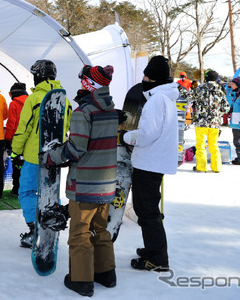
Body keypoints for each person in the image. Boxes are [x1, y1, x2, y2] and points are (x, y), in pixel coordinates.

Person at [49, 65, 118, 297]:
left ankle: (81, 281)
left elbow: (76, 148)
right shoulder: (110, 109)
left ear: (89, 84)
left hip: (86, 184)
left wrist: (52, 156)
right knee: (100, 229)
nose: (80, 83)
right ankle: (106, 274)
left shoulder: (84, 112)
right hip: (107, 182)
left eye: (83, 79)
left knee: (79, 232)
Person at [118, 55, 178, 272]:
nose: (142, 78)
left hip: (149, 162)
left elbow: (147, 134)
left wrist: (125, 137)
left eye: (146, 75)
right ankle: (153, 249)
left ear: (154, 79)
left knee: (147, 211)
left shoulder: (156, 100)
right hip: (156, 161)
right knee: (149, 209)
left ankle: (157, 258)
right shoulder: (166, 97)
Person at [11, 59, 71, 248]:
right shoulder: (65, 100)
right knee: (50, 192)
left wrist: (15, 151)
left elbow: (24, 128)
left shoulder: (34, 99)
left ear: (38, 76)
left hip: (33, 157)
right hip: (55, 157)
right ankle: (52, 220)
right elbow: (68, 126)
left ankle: (33, 228)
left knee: (27, 191)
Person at [190, 70, 230, 173]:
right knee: (214, 145)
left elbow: (189, 97)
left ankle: (201, 167)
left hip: (201, 122)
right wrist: (217, 114)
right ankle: (216, 167)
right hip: (215, 123)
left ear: (205, 78)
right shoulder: (220, 91)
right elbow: (226, 108)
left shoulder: (199, 89)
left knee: (201, 145)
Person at [4, 82, 28, 196]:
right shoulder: (31, 101)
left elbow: (11, 123)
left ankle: (16, 188)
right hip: (30, 140)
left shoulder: (14, 104)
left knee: (17, 164)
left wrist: (8, 138)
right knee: (28, 164)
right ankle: (27, 188)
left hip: (17, 140)